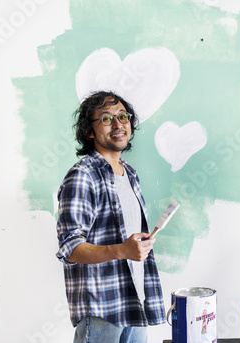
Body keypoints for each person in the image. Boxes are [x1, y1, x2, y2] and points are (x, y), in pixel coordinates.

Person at [56, 91, 166, 343]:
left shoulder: (129, 173)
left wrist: (139, 244)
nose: (118, 124)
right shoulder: (83, 175)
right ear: (89, 131)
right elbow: (70, 248)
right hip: (101, 310)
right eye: (106, 119)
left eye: (122, 116)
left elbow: (124, 239)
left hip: (133, 303)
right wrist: (123, 250)